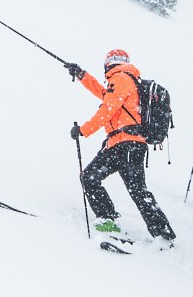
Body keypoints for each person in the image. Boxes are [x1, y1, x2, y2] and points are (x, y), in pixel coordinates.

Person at [64, 49, 176, 246]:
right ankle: (162, 233)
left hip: (125, 145)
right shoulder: (126, 80)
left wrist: (83, 130)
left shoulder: (121, 78)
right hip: (125, 145)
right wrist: (82, 75)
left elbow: (108, 108)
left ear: (108, 64)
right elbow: (104, 94)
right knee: (132, 189)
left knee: (95, 179)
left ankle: (110, 219)